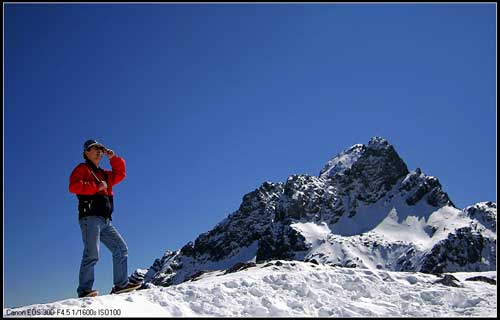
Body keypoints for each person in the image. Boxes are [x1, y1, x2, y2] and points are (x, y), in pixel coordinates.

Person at [69, 139, 141, 298]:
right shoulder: (82, 168)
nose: (98, 152)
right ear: (86, 153)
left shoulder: (104, 174)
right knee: (92, 253)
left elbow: (120, 174)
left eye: (100, 149)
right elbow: (73, 186)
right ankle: (85, 290)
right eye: (94, 149)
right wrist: (96, 187)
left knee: (121, 248)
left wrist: (113, 159)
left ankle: (121, 285)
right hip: (90, 218)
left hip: (106, 220)